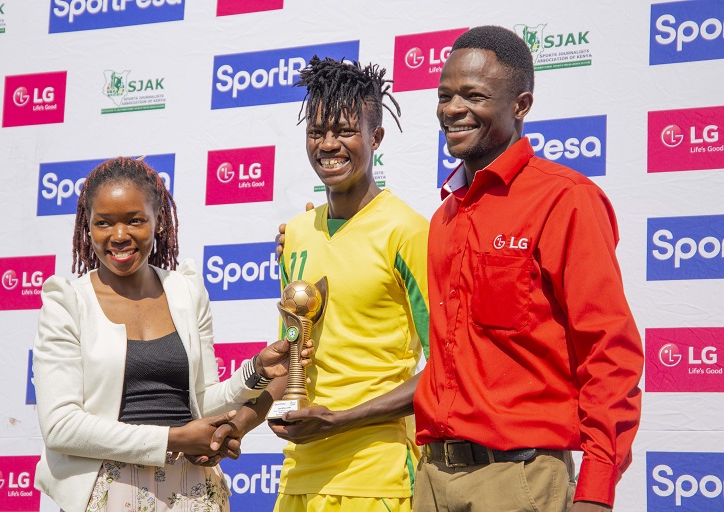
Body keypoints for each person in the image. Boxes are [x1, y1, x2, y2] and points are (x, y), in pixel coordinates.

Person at [412, 26, 644, 512]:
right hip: (432, 477)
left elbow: (609, 348)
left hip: (518, 480)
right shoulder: (445, 217)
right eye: (445, 95)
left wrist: (596, 492)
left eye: (474, 95)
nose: (453, 109)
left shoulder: (564, 198)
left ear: (520, 105)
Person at [211, 56, 430, 512]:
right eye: (317, 131)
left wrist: (339, 421)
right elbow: (293, 361)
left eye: (345, 130)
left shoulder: (407, 232)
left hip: (378, 476)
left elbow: (447, 370)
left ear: (376, 137)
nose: (329, 144)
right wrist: (241, 423)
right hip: (298, 475)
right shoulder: (296, 236)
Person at [32, 157, 312, 512]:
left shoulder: (186, 290)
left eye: (135, 220)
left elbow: (202, 401)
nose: (119, 236)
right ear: (87, 228)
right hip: (107, 492)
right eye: (103, 223)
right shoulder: (67, 302)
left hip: (192, 487)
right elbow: (61, 427)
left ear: (159, 221)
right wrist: (174, 437)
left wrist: (255, 370)